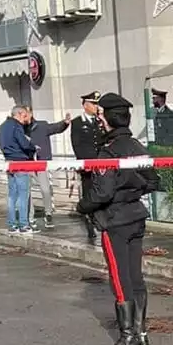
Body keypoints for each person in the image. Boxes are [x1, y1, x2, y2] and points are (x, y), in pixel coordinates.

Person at [77, 92, 161, 345]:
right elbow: (153, 180)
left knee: (119, 278)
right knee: (136, 276)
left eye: (101, 116)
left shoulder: (109, 151)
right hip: (136, 216)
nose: (99, 121)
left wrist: (82, 206)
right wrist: (132, 189)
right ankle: (141, 333)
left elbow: (101, 193)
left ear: (110, 119)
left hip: (115, 220)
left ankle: (127, 338)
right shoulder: (137, 146)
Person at [25, 107, 71, 230]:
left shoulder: (41, 125)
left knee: (45, 189)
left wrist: (65, 123)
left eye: (27, 113)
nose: (25, 116)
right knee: (27, 191)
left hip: (41, 162)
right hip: (27, 163)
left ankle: (48, 213)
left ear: (31, 114)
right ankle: (30, 216)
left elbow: (55, 128)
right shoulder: (20, 128)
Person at [0, 106, 37, 235]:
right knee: (23, 195)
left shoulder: (2, 127)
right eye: (25, 115)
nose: (26, 118)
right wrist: (33, 147)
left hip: (8, 161)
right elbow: (24, 144)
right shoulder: (16, 126)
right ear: (19, 114)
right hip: (20, 161)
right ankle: (24, 224)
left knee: (12, 195)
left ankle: (12, 224)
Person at [70, 91, 102, 246]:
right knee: (89, 193)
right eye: (93, 103)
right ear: (85, 105)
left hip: (101, 165)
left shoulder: (100, 121)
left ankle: (100, 219)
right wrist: (84, 164)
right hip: (88, 167)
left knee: (102, 192)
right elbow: (77, 145)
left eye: (97, 103)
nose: (96, 107)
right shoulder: (78, 122)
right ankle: (90, 223)